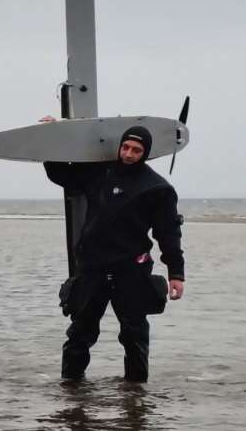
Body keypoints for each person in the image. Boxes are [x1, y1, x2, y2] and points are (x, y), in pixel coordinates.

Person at [41, 117, 185, 382]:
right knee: (79, 334)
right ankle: (71, 392)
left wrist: (177, 273)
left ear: (146, 153)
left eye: (136, 150)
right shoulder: (100, 173)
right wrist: (55, 133)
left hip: (131, 271)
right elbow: (59, 173)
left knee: (134, 336)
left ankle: (136, 396)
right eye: (126, 148)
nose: (129, 154)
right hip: (92, 268)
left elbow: (168, 233)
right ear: (120, 147)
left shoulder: (157, 188)